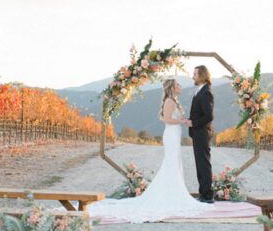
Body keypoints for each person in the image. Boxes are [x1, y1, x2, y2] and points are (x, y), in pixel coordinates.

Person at [87, 78, 214, 222]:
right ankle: (172, 194)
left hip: (175, 134)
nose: (180, 86)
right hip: (171, 134)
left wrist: (182, 120)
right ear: (172, 88)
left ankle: (173, 192)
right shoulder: (170, 101)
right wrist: (183, 121)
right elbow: (167, 119)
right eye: (177, 85)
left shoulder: (173, 100)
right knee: (171, 163)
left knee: (175, 162)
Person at [184, 65, 214, 203]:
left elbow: (209, 116)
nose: (193, 76)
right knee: (200, 164)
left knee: (204, 164)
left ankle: (208, 196)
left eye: (195, 74)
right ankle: (203, 193)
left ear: (202, 75)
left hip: (202, 133)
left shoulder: (206, 92)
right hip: (197, 133)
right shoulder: (199, 90)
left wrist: (193, 123)